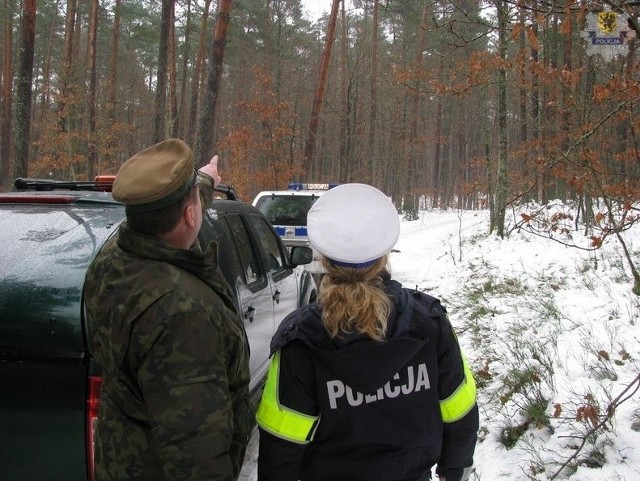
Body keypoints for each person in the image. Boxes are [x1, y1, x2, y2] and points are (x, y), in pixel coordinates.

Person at [256, 183, 479, 481]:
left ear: (324, 258)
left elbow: (282, 438)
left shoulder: (302, 338)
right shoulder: (428, 322)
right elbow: (459, 407)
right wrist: (456, 467)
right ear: (384, 256)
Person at [84, 139, 252, 481]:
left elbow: (168, 209)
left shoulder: (116, 252)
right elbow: (196, 451)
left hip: (120, 457)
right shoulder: (182, 314)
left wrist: (203, 181)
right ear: (190, 214)